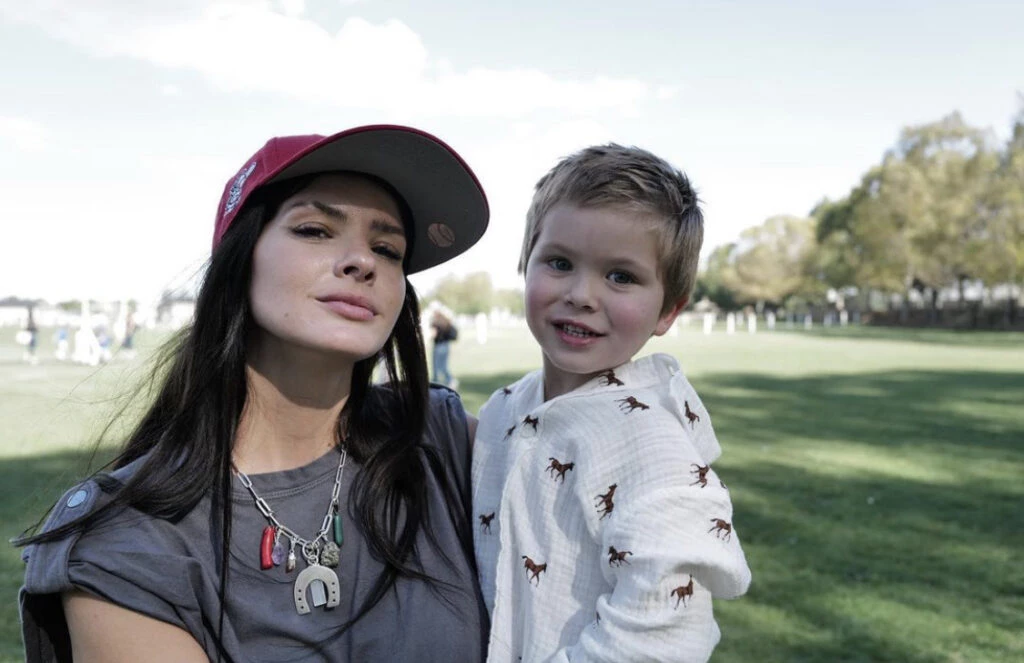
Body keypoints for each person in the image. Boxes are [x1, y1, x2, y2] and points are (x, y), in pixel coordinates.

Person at [18, 125, 491, 662]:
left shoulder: (443, 439)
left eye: (387, 249)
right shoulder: (127, 543)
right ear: (240, 259)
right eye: (314, 230)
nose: (363, 262)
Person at [472, 144, 751, 662]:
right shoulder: (504, 409)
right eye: (559, 263)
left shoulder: (653, 446)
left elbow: (663, 636)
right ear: (525, 265)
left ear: (667, 311)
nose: (581, 294)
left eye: (621, 276)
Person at [430, 308, 458, 387]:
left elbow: (434, 334)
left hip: (438, 346)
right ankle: (450, 380)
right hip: (446, 345)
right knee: (443, 366)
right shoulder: (446, 322)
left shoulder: (435, 323)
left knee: (436, 366)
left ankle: (435, 382)